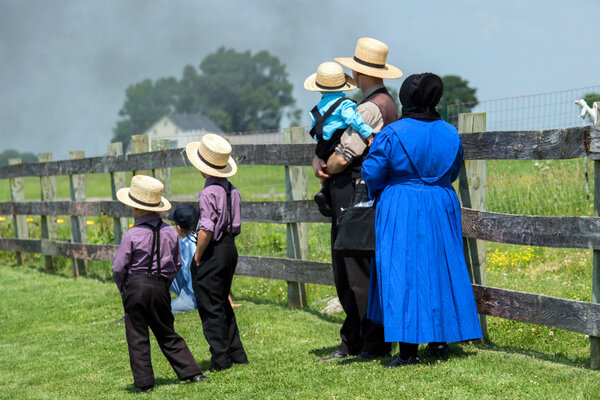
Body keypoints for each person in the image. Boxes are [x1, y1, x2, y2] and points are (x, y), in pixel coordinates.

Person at [362, 73, 483, 367]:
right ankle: (439, 342)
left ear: (406, 98)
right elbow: (452, 172)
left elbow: (373, 173)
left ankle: (407, 352)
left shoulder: (392, 133)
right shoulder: (451, 133)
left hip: (401, 203)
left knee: (403, 271)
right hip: (441, 203)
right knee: (439, 267)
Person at [313, 37, 403, 362]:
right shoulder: (386, 102)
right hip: (360, 190)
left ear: (357, 70)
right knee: (356, 265)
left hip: (353, 190)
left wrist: (326, 165)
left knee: (354, 268)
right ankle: (356, 339)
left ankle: (369, 342)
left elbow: (345, 153)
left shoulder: (369, 107)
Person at [112, 175, 206, 393]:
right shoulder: (169, 232)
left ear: (135, 209)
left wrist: (124, 288)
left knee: (137, 335)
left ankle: (144, 383)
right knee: (166, 330)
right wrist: (163, 283)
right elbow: (176, 263)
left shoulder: (132, 234)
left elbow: (119, 266)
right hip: (160, 286)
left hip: (135, 286)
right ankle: (192, 372)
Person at [185, 134, 249, 372]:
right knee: (222, 301)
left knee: (210, 306)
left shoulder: (208, 193)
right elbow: (237, 225)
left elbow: (206, 228)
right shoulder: (233, 190)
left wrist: (198, 256)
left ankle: (220, 360)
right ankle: (237, 353)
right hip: (230, 248)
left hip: (214, 249)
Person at [304, 61, 373, 216]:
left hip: (322, 145)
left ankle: (324, 189)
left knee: (325, 169)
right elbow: (352, 119)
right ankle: (326, 191)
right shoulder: (345, 104)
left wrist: (321, 148)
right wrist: (368, 133)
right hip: (336, 141)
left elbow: (315, 128)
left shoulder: (319, 106)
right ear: (343, 86)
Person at [167, 203, 199, 314]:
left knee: (165, 310)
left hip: (193, 295)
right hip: (186, 285)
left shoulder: (191, 246)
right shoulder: (188, 240)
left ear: (179, 228)